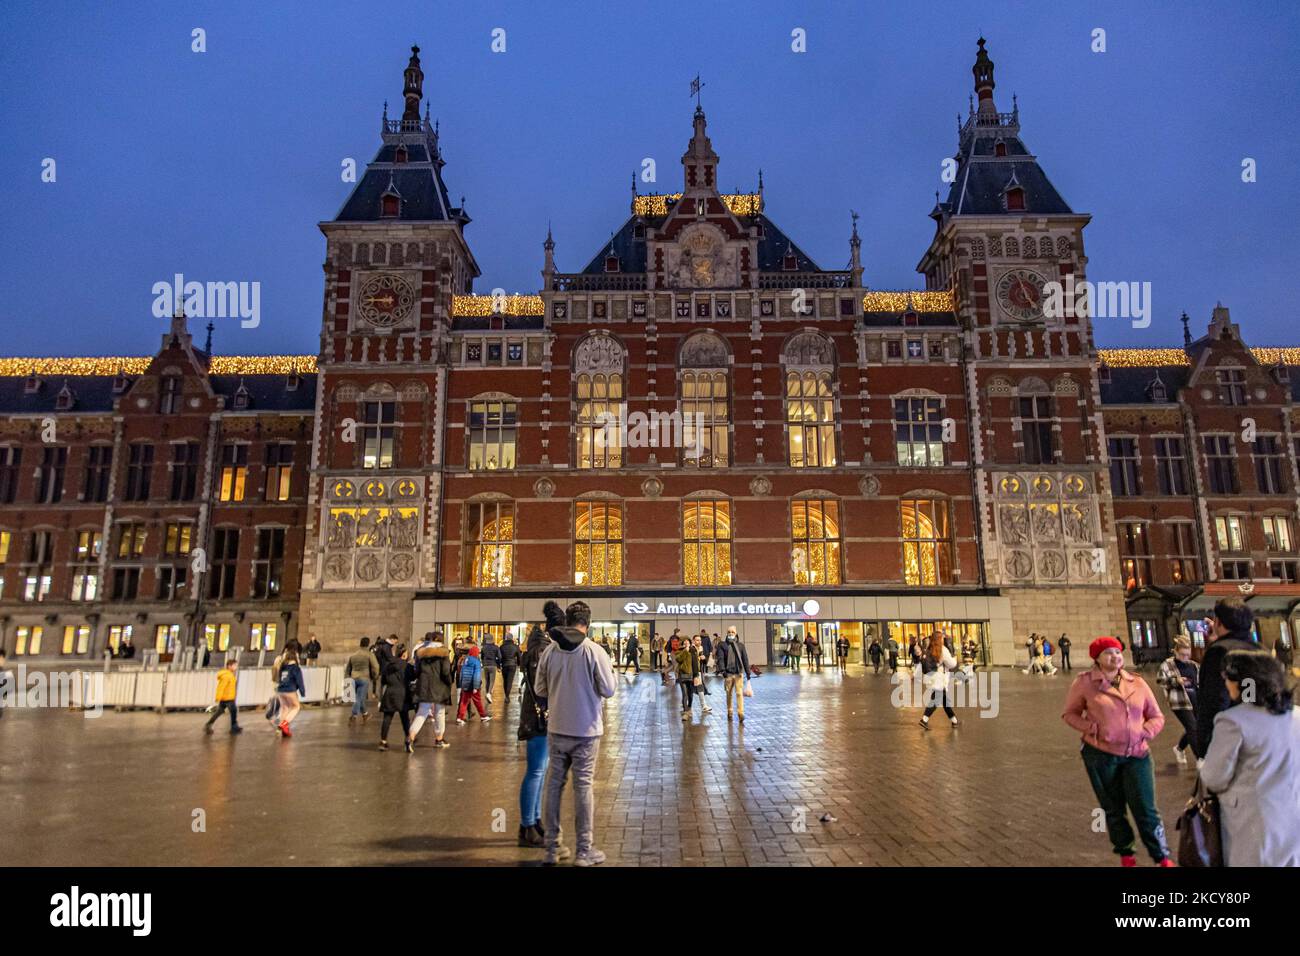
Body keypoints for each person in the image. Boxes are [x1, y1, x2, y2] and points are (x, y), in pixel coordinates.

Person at [1061, 637, 1171, 866]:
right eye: (1109, 653)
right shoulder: (1084, 683)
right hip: (1100, 755)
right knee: (1113, 809)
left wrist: (1145, 732)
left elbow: (1157, 716)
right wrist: (1092, 728)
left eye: (1118, 652)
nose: (1115, 656)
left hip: (1137, 755)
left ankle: (1161, 856)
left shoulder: (1137, 682)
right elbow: (1070, 714)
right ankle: (1126, 854)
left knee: (1146, 809)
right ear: (1097, 658)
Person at [535, 600, 617, 866]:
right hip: (586, 729)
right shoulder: (594, 651)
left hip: (557, 728)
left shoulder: (550, 651)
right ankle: (584, 850)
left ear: (568, 621)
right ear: (588, 623)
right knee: (583, 787)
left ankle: (551, 848)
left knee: (554, 785)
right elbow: (608, 689)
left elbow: (540, 689)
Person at [1200, 650, 1300, 866]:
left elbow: (1215, 777)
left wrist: (1203, 766)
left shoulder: (1233, 721)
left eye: (1229, 680)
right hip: (1293, 812)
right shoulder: (1296, 715)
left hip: (1253, 819)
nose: (1227, 685)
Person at [518, 602, 563, 848]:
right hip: (537, 718)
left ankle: (533, 822)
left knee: (540, 771)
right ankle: (527, 825)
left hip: (541, 716)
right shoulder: (541, 650)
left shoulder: (540, 646)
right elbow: (541, 688)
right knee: (535, 771)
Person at [1194, 599, 1257, 760]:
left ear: (1219, 622)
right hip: (1260, 735)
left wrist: (1205, 744)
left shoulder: (1219, 652)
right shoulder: (1258, 649)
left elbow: (1214, 700)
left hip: (1231, 738)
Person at [1157, 637, 1199, 766]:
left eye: (1188, 654)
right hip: (1179, 702)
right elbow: (1160, 681)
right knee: (1192, 727)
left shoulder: (1194, 665)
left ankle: (1179, 748)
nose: (1185, 657)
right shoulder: (1167, 664)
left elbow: (1198, 682)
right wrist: (1176, 681)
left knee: (1196, 727)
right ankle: (1201, 758)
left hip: (1195, 700)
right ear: (1175, 652)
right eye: (1182, 655)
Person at [408, 632, 453, 751]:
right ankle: (439, 739)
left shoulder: (421, 652)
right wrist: (449, 681)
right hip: (439, 686)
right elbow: (445, 671)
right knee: (439, 713)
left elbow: (416, 671)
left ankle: (410, 737)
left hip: (424, 685)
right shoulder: (444, 653)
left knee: (422, 713)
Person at [918, 633, 959, 729]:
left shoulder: (930, 648)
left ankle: (954, 720)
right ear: (940, 639)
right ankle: (924, 719)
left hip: (932, 677)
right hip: (940, 678)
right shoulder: (943, 650)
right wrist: (955, 658)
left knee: (944, 701)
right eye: (943, 638)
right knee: (936, 700)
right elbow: (951, 664)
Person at [377, 644, 414, 751]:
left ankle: (383, 741)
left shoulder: (388, 665)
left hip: (390, 692)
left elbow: (383, 680)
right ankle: (408, 739)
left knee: (387, 718)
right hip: (403, 693)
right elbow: (413, 677)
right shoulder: (407, 666)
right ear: (405, 654)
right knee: (405, 718)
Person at [715, 626, 751, 722]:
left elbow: (745, 659)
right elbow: (720, 658)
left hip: (738, 673)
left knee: (739, 693)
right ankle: (730, 710)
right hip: (728, 674)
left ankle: (740, 713)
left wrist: (748, 673)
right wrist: (723, 671)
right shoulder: (722, 645)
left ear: (736, 633)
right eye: (729, 632)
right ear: (727, 633)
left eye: (733, 632)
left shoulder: (740, 645)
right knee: (729, 694)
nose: (731, 633)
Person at [273, 646, 306, 738]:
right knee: (296, 707)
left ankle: (281, 729)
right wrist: (302, 692)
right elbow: (299, 680)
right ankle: (284, 724)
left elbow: (279, 678)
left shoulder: (283, 667)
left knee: (285, 708)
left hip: (281, 689)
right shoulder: (295, 668)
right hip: (290, 689)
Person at [345, 636, 379, 723]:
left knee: (360, 698)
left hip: (353, 678)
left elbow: (348, 669)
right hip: (364, 679)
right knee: (359, 698)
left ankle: (365, 714)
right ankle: (353, 715)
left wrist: (347, 679)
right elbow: (376, 667)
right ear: (368, 644)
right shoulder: (369, 654)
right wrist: (375, 676)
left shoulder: (353, 655)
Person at [203, 658, 241, 734]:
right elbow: (221, 687)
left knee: (219, 712)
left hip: (226, 697)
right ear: (229, 666)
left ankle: (208, 724)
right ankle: (234, 727)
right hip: (228, 698)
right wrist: (218, 697)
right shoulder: (227, 675)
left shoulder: (229, 674)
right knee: (233, 711)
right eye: (235, 665)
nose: (236, 667)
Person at [455, 645, 491, 725]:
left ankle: (460, 718)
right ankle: (483, 716)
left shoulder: (466, 660)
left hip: (465, 684)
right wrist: (475, 686)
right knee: (477, 701)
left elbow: (461, 673)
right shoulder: (476, 662)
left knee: (464, 702)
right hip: (472, 685)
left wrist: (461, 683)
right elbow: (476, 675)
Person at [499, 632, 521, 698]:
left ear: (506, 638)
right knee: (510, 681)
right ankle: (507, 695)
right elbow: (519, 657)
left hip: (504, 665)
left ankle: (506, 694)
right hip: (512, 665)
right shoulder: (515, 647)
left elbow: (500, 657)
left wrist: (499, 664)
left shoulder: (502, 647)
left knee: (505, 680)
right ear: (512, 638)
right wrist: (519, 664)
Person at [481, 634, 501, 704]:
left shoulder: (483, 647)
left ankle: (487, 693)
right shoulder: (496, 647)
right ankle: (489, 694)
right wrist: (498, 666)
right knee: (492, 681)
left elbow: (482, 657)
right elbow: (499, 657)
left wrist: (483, 663)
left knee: (487, 681)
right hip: (493, 665)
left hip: (485, 665)